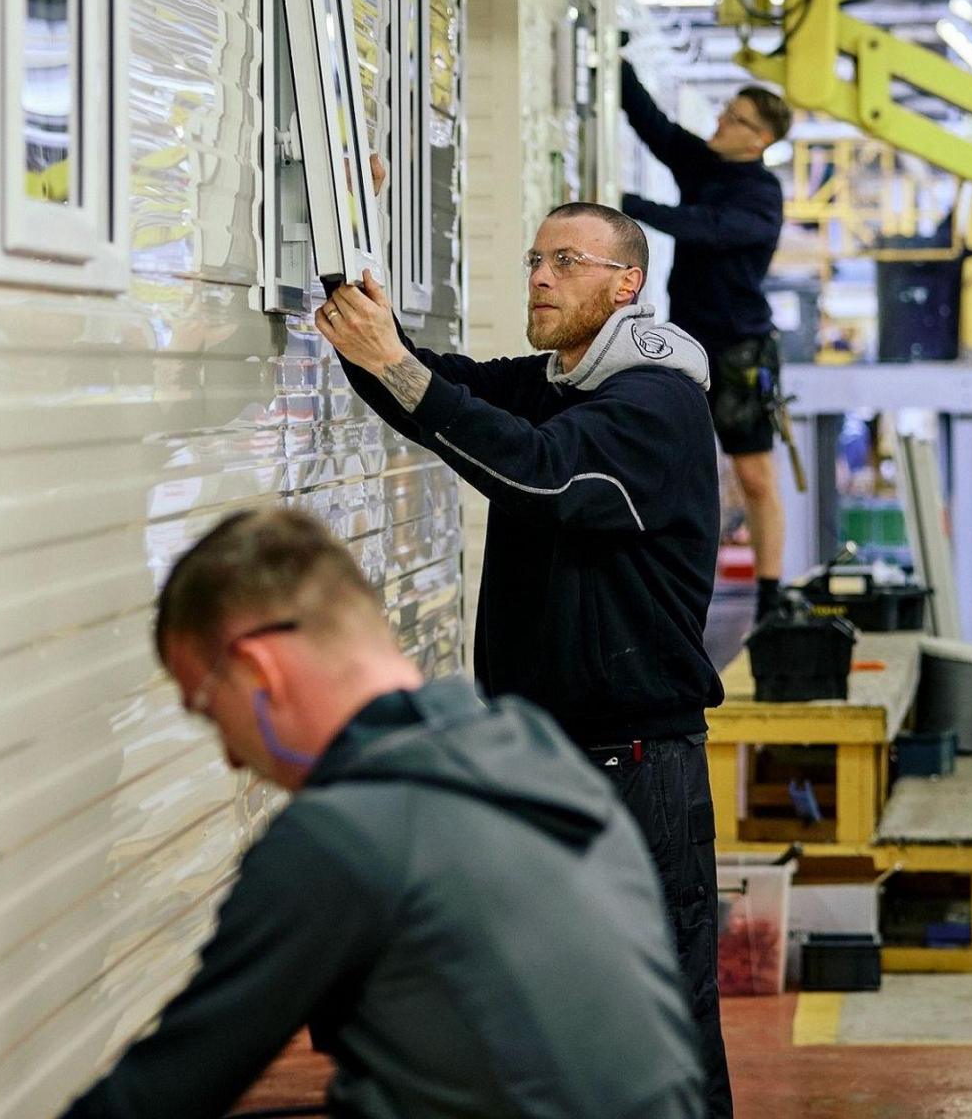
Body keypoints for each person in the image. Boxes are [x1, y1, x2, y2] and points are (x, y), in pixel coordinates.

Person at [62, 507, 706, 1119]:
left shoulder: (342, 837)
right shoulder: (533, 752)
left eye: (209, 708)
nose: (230, 757)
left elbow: (161, 1095)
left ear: (259, 672)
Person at [312, 202, 735, 1117]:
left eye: (567, 262)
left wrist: (401, 368)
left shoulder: (653, 404)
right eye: (535, 259)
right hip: (548, 754)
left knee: (653, 1012)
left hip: (629, 766)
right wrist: (352, 298)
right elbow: (434, 392)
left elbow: (548, 475)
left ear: (627, 284)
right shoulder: (561, 381)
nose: (539, 277)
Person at [616, 61, 794, 620]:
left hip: (741, 350)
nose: (721, 119)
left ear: (760, 138)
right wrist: (619, 64)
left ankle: (768, 595)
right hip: (685, 343)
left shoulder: (762, 196)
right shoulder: (705, 162)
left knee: (754, 476)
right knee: (675, 466)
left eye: (735, 117)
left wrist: (630, 207)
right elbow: (655, 126)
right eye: (726, 110)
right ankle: (668, 585)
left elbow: (707, 228)